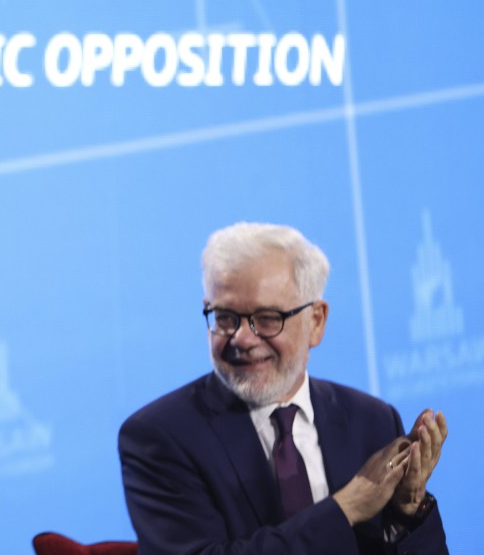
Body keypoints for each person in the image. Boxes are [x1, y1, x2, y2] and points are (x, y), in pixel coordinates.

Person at [118, 222, 448, 554]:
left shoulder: (371, 420)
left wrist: (407, 512)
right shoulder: (160, 437)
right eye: (224, 317)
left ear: (316, 321)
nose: (242, 339)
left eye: (266, 318)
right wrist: (346, 507)